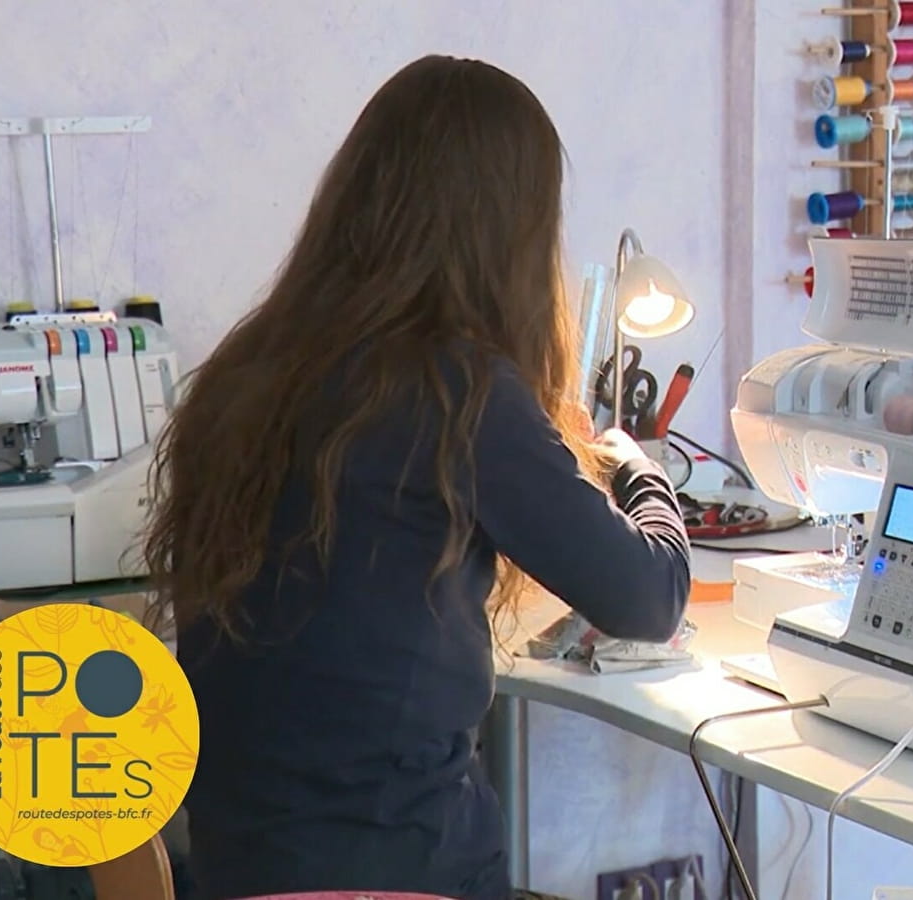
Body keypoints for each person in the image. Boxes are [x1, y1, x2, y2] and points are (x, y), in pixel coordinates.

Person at [142, 55, 691, 900]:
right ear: (509, 233)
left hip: (237, 866)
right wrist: (637, 468)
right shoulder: (455, 386)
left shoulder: (243, 373)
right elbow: (649, 598)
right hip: (392, 871)